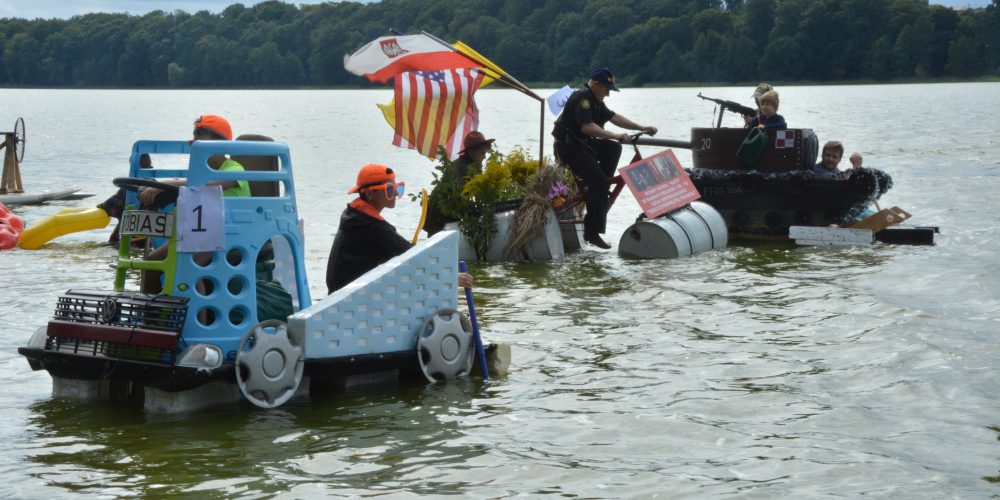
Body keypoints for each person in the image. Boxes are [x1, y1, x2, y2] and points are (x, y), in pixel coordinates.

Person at [140, 115, 250, 293]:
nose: (193, 141)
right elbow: (192, 188)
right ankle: (153, 315)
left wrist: (171, 183)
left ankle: (201, 320)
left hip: (228, 233)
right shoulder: (200, 172)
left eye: (200, 135)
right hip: (199, 232)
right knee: (151, 264)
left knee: (192, 269)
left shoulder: (233, 167)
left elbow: (217, 184)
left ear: (220, 143)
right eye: (194, 135)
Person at [551, 67, 658, 249]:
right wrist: (616, 135)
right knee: (599, 183)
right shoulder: (583, 99)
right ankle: (592, 232)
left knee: (613, 148)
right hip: (568, 148)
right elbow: (587, 127)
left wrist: (641, 127)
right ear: (596, 84)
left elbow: (614, 117)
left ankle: (599, 186)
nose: (608, 94)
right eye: (607, 89)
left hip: (582, 145)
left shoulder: (596, 100)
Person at [327, 163, 474, 294]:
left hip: (338, 292)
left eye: (398, 187)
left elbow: (405, 252)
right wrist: (449, 277)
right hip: (348, 297)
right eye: (390, 189)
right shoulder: (373, 227)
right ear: (370, 193)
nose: (396, 193)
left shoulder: (354, 215)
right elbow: (412, 257)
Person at [424, 131, 495, 236]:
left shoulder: (473, 166)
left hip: (447, 216)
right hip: (438, 219)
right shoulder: (460, 169)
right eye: (482, 153)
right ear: (471, 153)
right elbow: (459, 201)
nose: (484, 157)